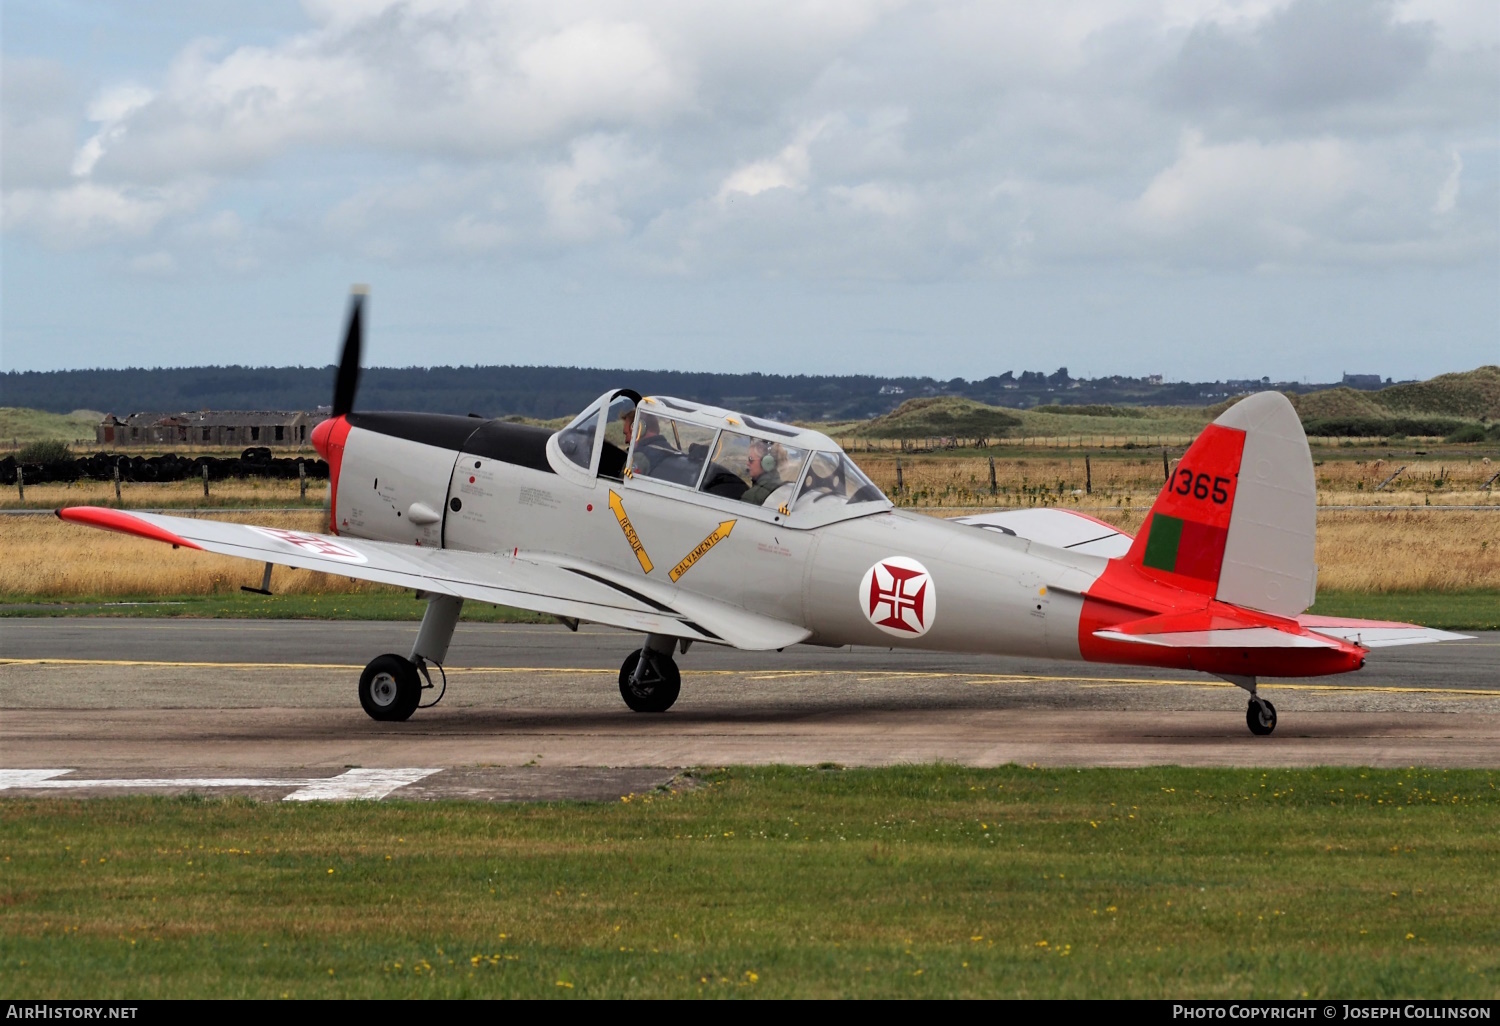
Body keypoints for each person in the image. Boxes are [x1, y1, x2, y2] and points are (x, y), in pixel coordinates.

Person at [741, 439, 785, 505]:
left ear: (766, 462)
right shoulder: (780, 485)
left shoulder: (752, 496)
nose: (747, 463)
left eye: (751, 459)